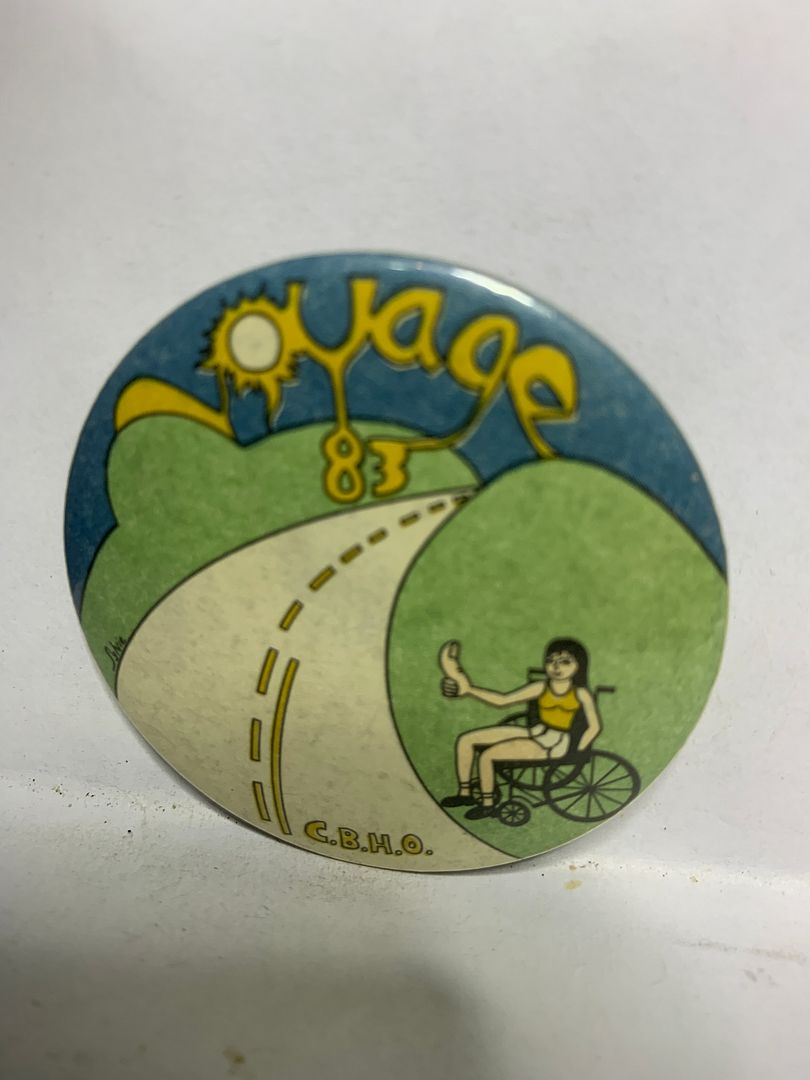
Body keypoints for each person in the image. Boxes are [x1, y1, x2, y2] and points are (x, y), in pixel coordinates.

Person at [438, 638, 601, 820]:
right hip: (536, 732)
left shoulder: (580, 693)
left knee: (487, 756)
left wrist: (578, 749)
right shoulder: (541, 686)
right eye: (550, 661)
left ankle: (488, 804)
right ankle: (464, 793)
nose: (556, 667)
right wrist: (469, 690)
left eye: (565, 662)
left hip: (555, 742)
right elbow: (503, 700)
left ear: (579, 665)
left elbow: (594, 726)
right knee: (466, 740)